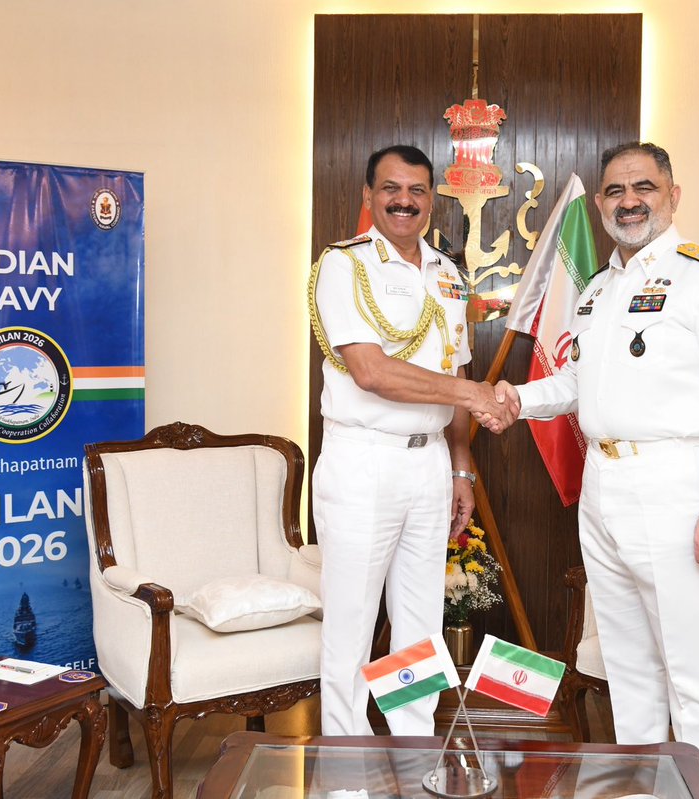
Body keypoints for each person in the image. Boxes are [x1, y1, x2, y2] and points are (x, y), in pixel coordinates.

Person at [493, 142, 699, 790]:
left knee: (690, 663)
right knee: (627, 658)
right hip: (604, 486)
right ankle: (644, 784)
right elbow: (579, 381)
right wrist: (518, 399)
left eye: (644, 187)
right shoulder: (598, 288)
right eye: (615, 191)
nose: (629, 201)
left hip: (673, 485)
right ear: (600, 204)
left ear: (673, 195)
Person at [308, 144, 516, 736]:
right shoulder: (343, 266)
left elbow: (456, 371)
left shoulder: (447, 274)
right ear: (368, 196)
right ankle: (345, 758)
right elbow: (371, 372)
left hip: (429, 465)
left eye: (417, 191)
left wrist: (461, 467)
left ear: (431, 200)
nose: (404, 201)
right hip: (363, 460)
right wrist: (474, 395)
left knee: (420, 623)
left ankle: (413, 745)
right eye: (391, 189)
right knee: (351, 622)